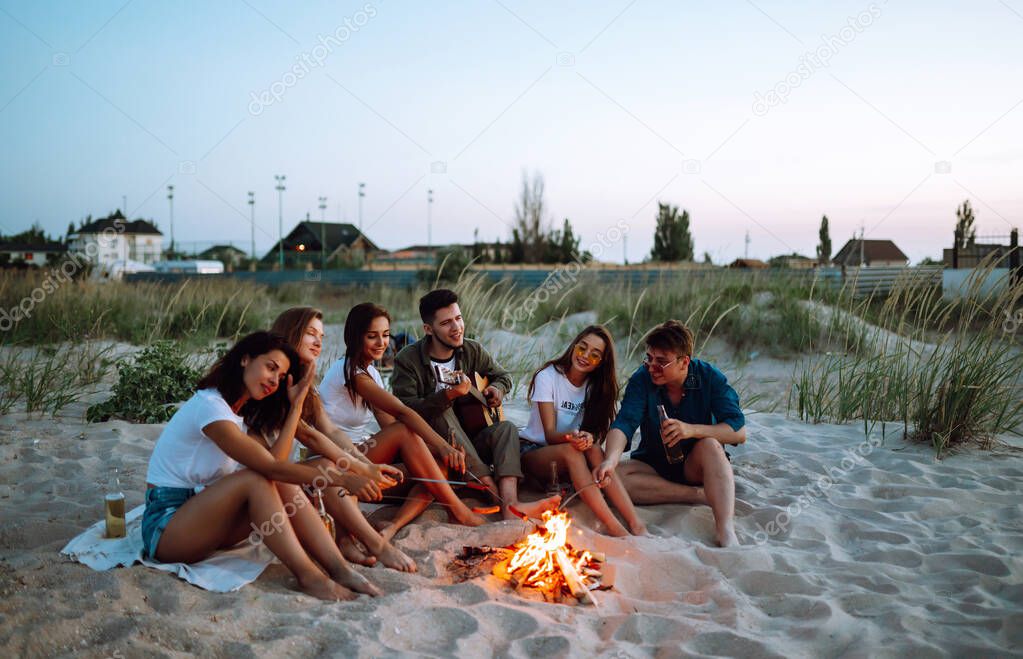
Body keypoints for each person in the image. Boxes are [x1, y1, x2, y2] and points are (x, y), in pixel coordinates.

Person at [141, 331, 380, 601]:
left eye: (280, 377)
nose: (273, 381)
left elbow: (277, 464)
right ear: (245, 359)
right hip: (166, 528)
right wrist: (343, 480)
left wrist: (296, 406)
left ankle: (340, 569)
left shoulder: (237, 415)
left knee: (276, 481)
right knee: (256, 479)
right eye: (270, 367)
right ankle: (310, 578)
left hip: (201, 521)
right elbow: (271, 468)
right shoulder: (210, 408)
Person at [271, 306, 485, 548]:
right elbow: (402, 416)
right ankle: (459, 511)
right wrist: (442, 444)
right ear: (355, 337)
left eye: (385, 335)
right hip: (334, 458)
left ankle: (392, 526)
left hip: (360, 454)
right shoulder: (349, 372)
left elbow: (389, 425)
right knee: (411, 438)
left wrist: (429, 451)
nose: (381, 342)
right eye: (372, 336)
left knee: (436, 468)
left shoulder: (370, 371)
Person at [391, 289, 559, 520]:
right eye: (447, 323)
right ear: (428, 329)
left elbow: (503, 376)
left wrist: (496, 389)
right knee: (444, 411)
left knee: (506, 428)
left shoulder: (472, 350)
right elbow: (405, 411)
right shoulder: (407, 360)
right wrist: (448, 395)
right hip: (437, 451)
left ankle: (510, 502)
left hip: (475, 444)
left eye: (458, 318)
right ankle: (491, 491)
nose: (457, 327)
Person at [596, 320, 746, 547]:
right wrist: (610, 459)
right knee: (612, 478)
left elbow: (738, 431)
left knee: (710, 445)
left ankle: (725, 530)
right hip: (654, 464)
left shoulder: (708, 377)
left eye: (661, 361)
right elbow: (624, 423)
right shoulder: (642, 378)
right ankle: (698, 495)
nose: (652, 367)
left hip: (696, 465)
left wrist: (691, 430)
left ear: (684, 362)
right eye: (649, 358)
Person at [519, 325, 647, 536]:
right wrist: (573, 438)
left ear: (601, 362)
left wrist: (589, 437)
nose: (585, 356)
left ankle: (635, 523)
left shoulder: (594, 386)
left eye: (594, 354)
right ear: (574, 346)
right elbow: (550, 435)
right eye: (582, 348)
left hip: (569, 454)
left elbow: (597, 430)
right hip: (534, 451)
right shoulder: (548, 376)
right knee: (572, 451)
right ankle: (615, 528)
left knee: (595, 449)